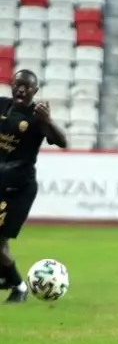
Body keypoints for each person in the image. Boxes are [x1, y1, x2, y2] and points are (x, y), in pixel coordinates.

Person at [0, 69, 67, 302]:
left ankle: (17, 286)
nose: (21, 89)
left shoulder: (37, 116)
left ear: (35, 91)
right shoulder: (2, 106)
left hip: (19, 190)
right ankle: (8, 278)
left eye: (27, 86)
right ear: (11, 84)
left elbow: (63, 141)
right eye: (18, 84)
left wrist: (48, 122)